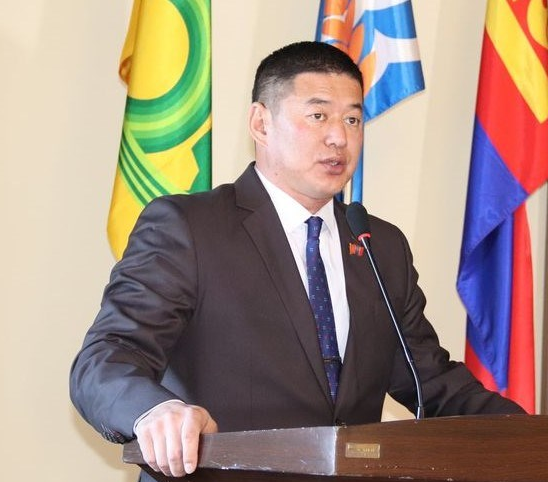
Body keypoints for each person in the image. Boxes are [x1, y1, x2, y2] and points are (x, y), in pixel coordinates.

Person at [70, 41, 524, 481]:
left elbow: (431, 380)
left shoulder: (379, 245)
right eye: (318, 115)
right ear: (261, 124)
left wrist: (536, 434)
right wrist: (156, 411)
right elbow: (106, 359)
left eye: (353, 119)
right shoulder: (190, 228)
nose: (339, 137)